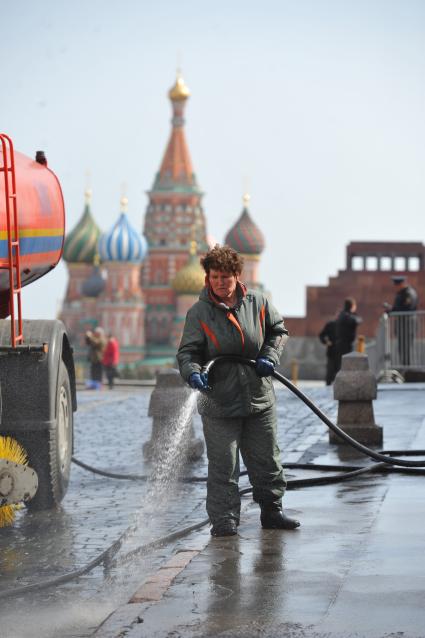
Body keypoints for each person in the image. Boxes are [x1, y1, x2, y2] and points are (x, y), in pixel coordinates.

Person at [177, 244, 300, 538]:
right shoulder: (199, 313)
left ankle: (272, 510)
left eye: (226, 276)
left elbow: (278, 331)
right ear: (208, 278)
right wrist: (193, 372)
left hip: (258, 397)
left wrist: (270, 355)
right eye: (215, 276)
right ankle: (224, 519)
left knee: (266, 458)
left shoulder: (258, 302)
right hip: (219, 402)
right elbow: (188, 353)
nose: (221, 282)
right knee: (224, 465)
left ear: (237, 276)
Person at [389, 275, 418, 366]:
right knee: (402, 349)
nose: (395, 287)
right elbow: (398, 307)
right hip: (402, 326)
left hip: (407, 326)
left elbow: (407, 308)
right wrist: (390, 310)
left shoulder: (409, 293)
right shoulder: (401, 293)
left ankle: (409, 369)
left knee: (407, 349)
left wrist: (394, 310)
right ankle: (405, 368)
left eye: (396, 285)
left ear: (401, 284)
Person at [335, 298, 361, 372]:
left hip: (343, 343)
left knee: (344, 364)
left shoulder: (343, 314)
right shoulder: (346, 316)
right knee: (346, 364)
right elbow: (357, 321)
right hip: (345, 344)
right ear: (352, 306)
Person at [318, 317, 338, 385]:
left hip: (343, 353)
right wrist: (326, 342)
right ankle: (328, 388)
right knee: (330, 372)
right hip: (332, 352)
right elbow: (321, 335)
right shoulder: (330, 324)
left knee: (340, 372)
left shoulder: (346, 325)